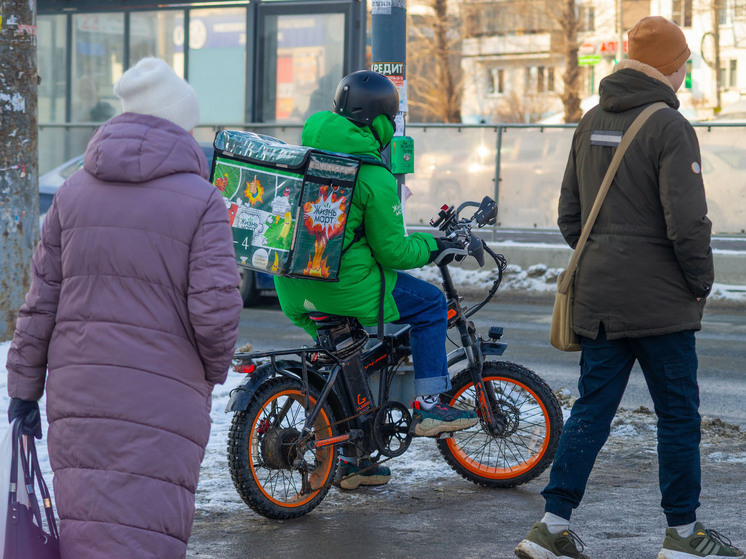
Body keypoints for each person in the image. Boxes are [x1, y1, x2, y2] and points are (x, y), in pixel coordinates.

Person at [515, 17, 743, 559]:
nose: (686, 73)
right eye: (684, 63)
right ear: (671, 66)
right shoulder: (668, 125)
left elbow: (571, 217)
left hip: (598, 299)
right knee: (679, 417)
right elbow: (688, 223)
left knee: (592, 410)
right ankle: (683, 536)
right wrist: (699, 283)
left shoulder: (591, 119)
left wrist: (606, 257)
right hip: (660, 303)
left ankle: (549, 528)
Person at [6, 57, 242, 559]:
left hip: (79, 393)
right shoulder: (202, 201)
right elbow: (216, 314)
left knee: (89, 524)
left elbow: (39, 303)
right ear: (179, 123)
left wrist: (24, 390)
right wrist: (208, 373)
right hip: (164, 394)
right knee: (146, 528)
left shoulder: (71, 194)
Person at [273, 70, 478, 490]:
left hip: (294, 285)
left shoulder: (306, 153)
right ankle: (432, 405)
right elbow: (393, 252)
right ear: (380, 121)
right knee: (430, 303)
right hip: (348, 287)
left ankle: (355, 461)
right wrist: (432, 245)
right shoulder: (373, 174)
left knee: (348, 357)